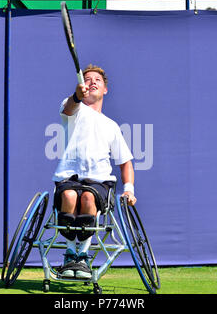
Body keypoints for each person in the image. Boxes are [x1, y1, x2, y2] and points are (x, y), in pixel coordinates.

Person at [53, 64, 137, 279]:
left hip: (99, 184)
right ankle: (70, 254)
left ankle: (82, 256)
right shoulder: (72, 108)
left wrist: (129, 189)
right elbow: (69, 107)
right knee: (70, 196)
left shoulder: (111, 126)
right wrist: (76, 96)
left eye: (97, 80)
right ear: (81, 86)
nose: (92, 82)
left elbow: (125, 162)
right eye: (87, 79)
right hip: (69, 180)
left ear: (105, 90)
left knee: (89, 198)